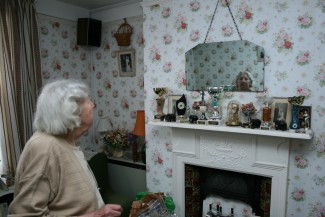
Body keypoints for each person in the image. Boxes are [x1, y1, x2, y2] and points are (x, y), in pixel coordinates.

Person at [8, 80, 123, 217]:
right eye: (88, 101)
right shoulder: (45, 147)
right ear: (72, 110)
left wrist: (100, 209)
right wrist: (97, 215)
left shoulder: (67, 142)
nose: (93, 105)